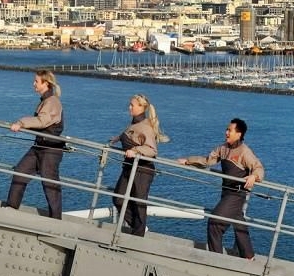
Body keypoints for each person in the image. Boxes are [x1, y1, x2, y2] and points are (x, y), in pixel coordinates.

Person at [177, 118, 263, 259]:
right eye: (226, 129)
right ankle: (249, 256)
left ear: (239, 134)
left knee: (214, 223)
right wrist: (188, 161)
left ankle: (216, 259)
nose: (226, 132)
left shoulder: (244, 152)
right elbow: (207, 161)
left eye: (230, 130)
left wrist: (254, 177)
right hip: (226, 193)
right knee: (238, 223)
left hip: (237, 194)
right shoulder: (222, 149)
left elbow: (258, 168)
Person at [4, 70, 64, 219]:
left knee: (50, 185)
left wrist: (21, 123)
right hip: (39, 147)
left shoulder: (52, 102)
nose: (34, 84)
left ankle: (56, 221)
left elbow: (42, 121)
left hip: (50, 149)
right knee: (20, 172)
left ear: (46, 83)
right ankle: (11, 208)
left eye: (36, 81)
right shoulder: (46, 100)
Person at [108, 94, 169, 237]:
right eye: (130, 104)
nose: (129, 107)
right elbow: (130, 134)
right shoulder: (134, 123)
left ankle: (139, 233)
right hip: (129, 167)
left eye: (132, 105)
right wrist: (117, 139)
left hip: (142, 170)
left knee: (139, 203)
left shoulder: (145, 126)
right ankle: (138, 227)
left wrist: (135, 151)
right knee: (118, 198)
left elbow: (152, 150)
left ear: (141, 107)